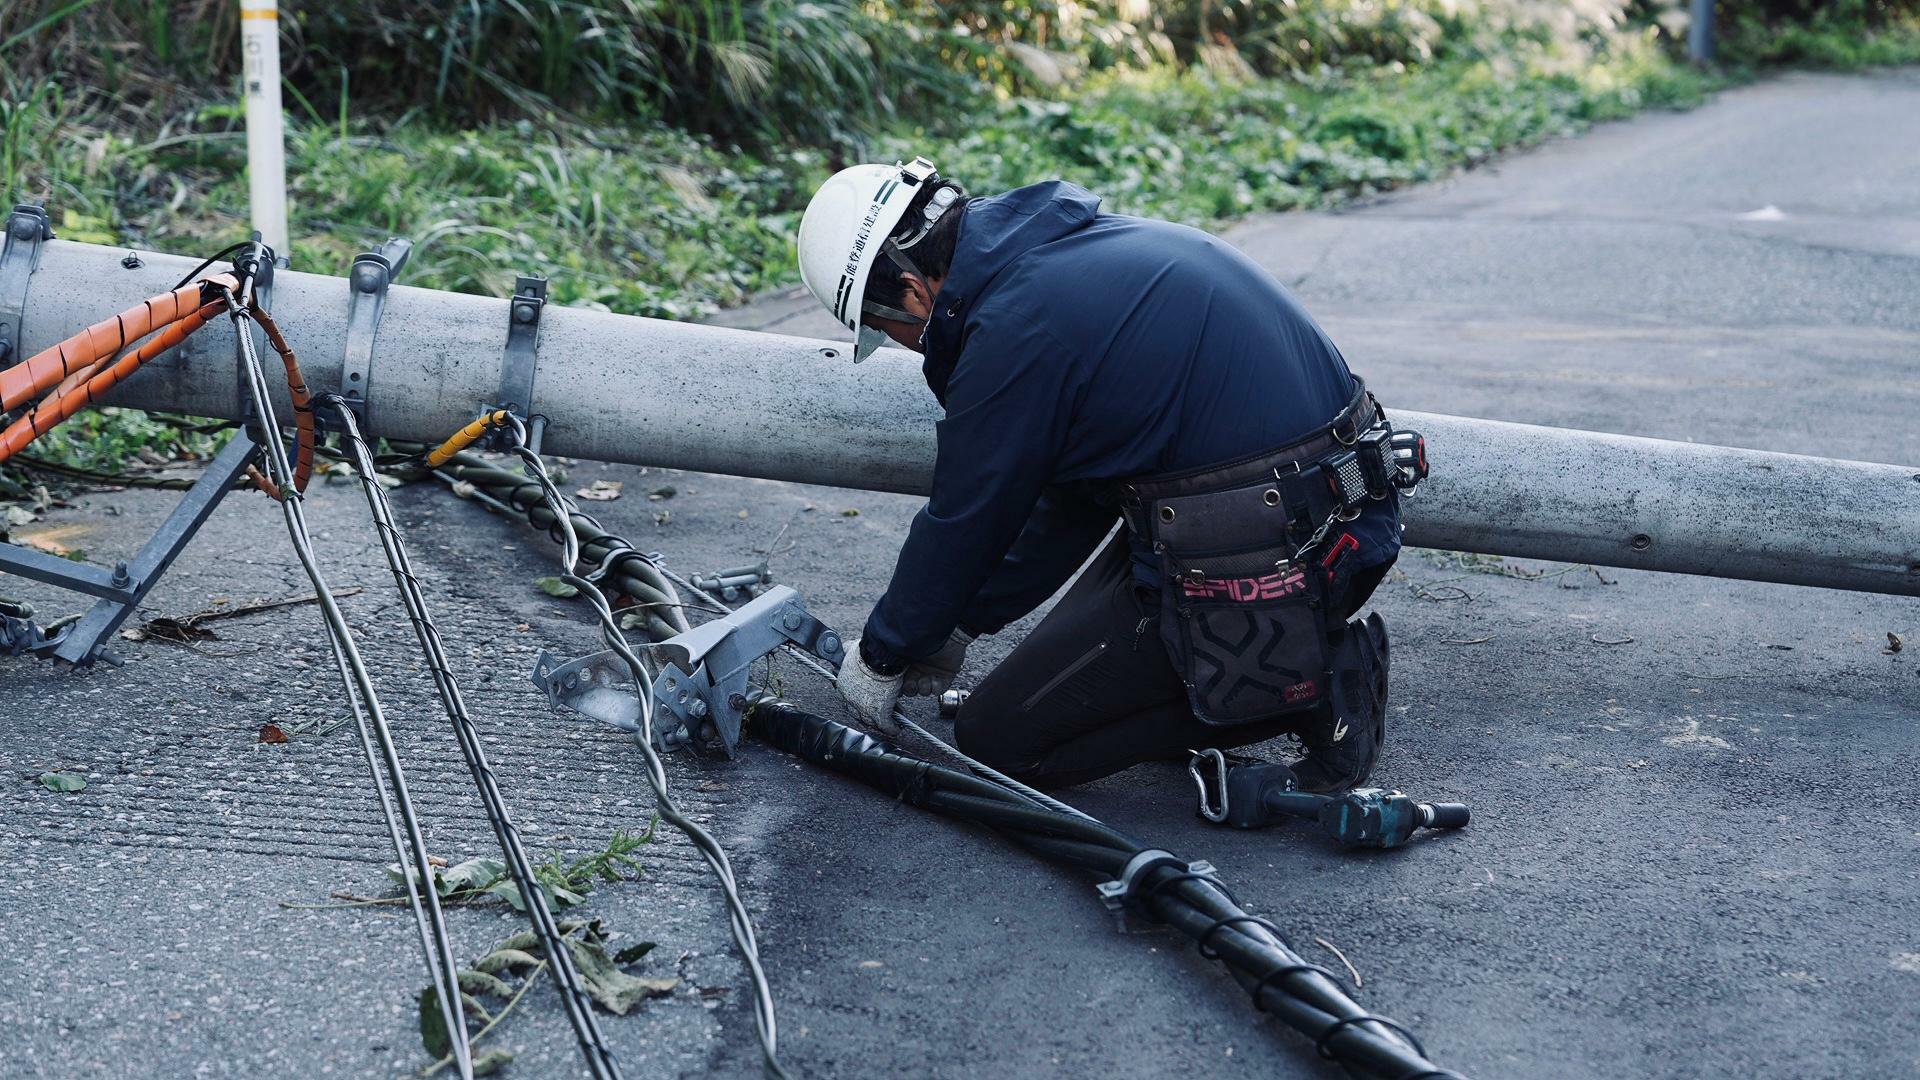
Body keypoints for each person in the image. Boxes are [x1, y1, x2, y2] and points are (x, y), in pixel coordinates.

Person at [794, 158, 1423, 792]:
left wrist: (882, 653)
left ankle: (1313, 690)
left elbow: (966, 515)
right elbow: (1070, 503)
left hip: (1276, 549)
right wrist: (957, 622)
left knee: (1001, 740)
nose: (903, 344)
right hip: (1307, 515)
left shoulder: (1015, 327)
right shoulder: (1060, 255)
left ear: (910, 289)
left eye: (884, 329)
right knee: (1068, 687)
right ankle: (1276, 662)